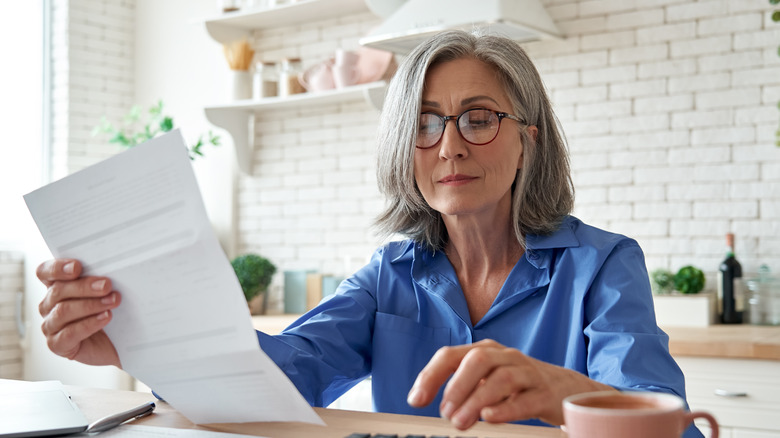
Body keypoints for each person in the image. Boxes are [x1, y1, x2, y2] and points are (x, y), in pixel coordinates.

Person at [36, 30, 702, 436]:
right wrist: (137, 341)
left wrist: (563, 395)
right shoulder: (390, 275)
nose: (449, 147)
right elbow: (281, 376)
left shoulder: (602, 266)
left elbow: (671, 427)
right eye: (425, 123)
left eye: (477, 119)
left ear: (527, 141)